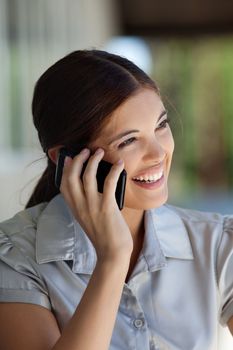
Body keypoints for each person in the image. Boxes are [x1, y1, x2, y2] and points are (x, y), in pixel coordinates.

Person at [0, 50, 232, 350]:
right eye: (128, 140)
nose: (159, 153)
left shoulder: (217, 244)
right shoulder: (15, 258)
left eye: (161, 125)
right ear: (67, 160)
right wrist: (113, 258)